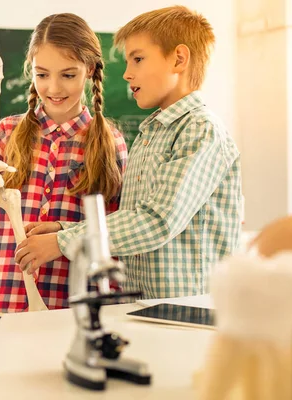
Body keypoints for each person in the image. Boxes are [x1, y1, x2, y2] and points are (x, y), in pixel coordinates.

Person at [16, 5, 243, 301]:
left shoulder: (201, 130)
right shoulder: (153, 134)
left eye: (137, 59)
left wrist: (62, 241)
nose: (126, 74)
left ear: (178, 59)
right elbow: (131, 220)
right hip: (148, 307)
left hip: (188, 310)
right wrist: (65, 227)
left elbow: (157, 221)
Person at [0, 13, 128, 347]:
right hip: (8, 302)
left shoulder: (110, 141)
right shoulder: (7, 133)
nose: (54, 87)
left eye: (68, 75)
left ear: (90, 71)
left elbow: (116, 230)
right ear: (30, 71)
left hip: (76, 305)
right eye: (42, 74)